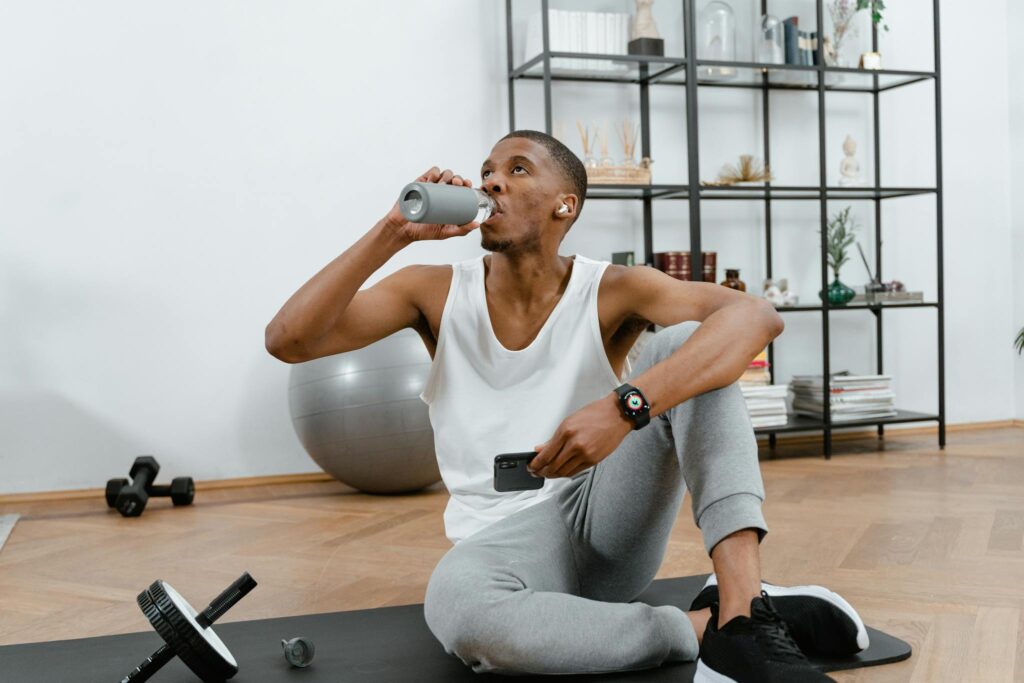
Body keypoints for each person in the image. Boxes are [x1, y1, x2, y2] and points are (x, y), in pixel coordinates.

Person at [265, 130, 868, 682]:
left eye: (518, 169)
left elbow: (756, 316)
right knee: (462, 612)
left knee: (690, 344)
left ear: (565, 205)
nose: (492, 181)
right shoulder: (432, 290)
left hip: (603, 519)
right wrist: (394, 231)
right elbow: (288, 339)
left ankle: (743, 613)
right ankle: (699, 629)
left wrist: (624, 407)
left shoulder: (611, 289)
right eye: (487, 171)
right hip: (500, 548)